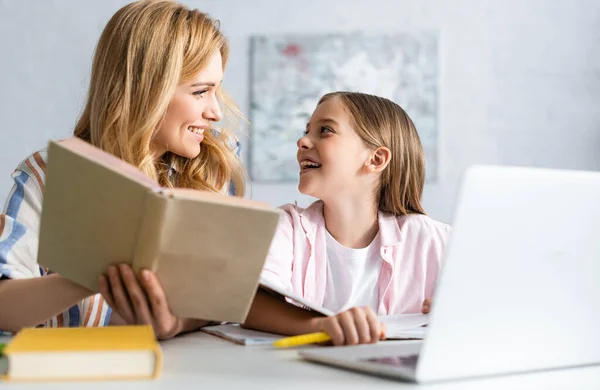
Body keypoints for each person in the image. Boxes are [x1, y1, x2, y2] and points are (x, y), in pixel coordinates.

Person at [0, 0, 246, 339]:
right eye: (201, 92)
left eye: (216, 91)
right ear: (148, 90)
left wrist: (173, 323)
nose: (216, 112)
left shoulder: (213, 169)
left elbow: (223, 298)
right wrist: (93, 272)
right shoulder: (47, 176)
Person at [243, 92, 451, 346]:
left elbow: (492, 303)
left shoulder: (434, 240)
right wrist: (321, 325)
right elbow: (249, 301)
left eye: (325, 130)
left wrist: (461, 309)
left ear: (376, 159)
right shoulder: (286, 228)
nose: (303, 141)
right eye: (307, 130)